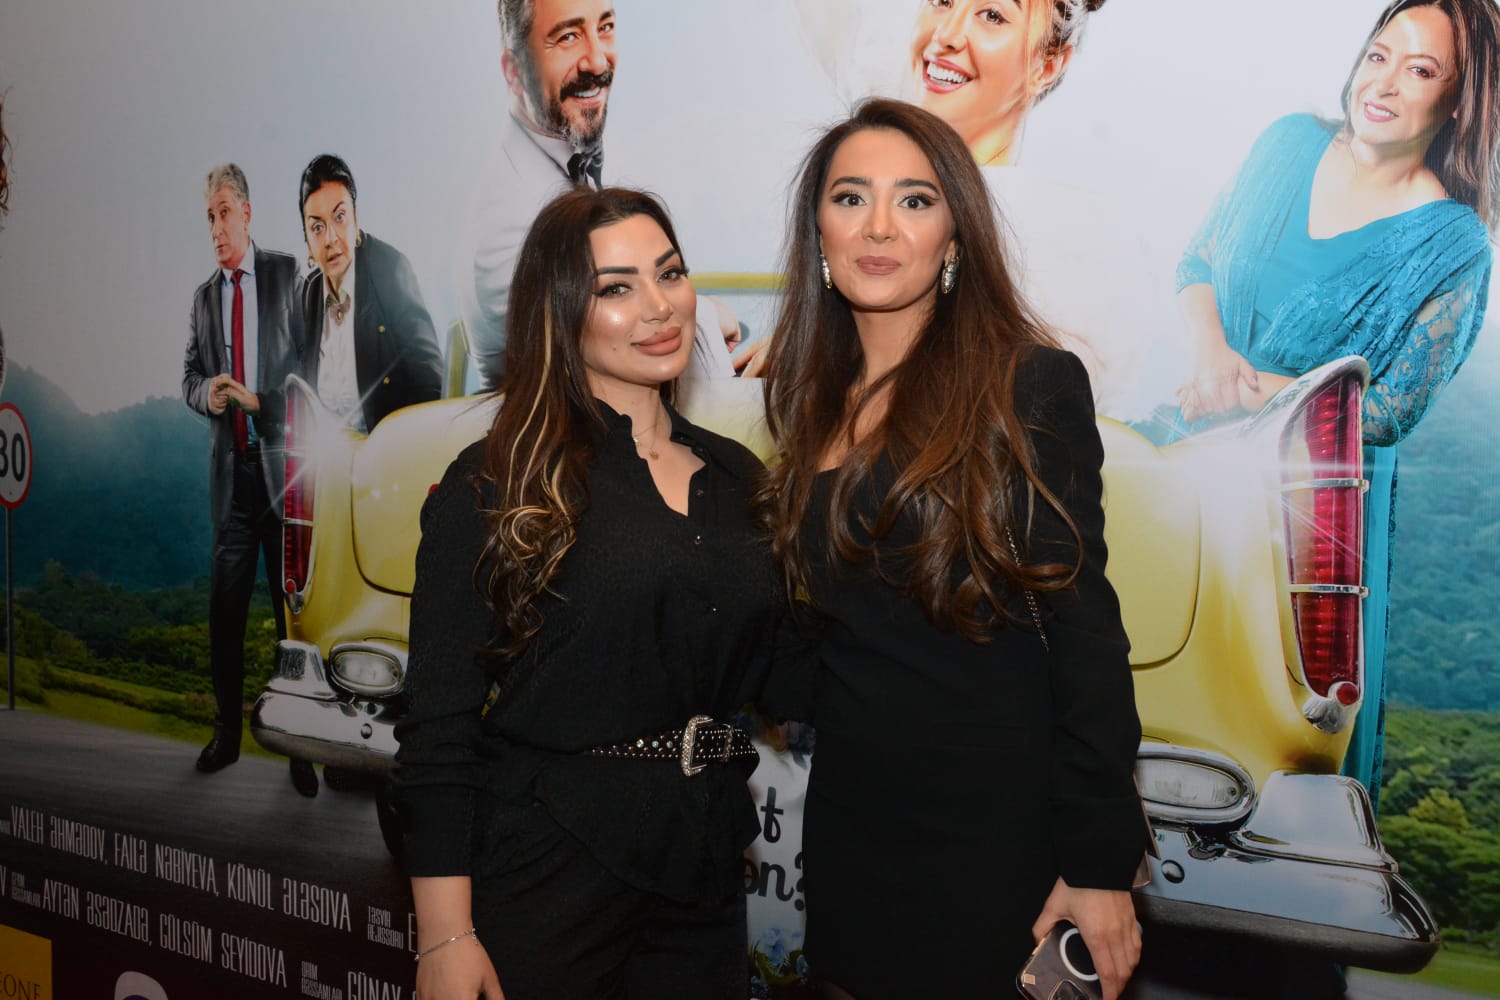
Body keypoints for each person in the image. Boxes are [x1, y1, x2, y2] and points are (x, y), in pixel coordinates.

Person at [759, 99, 1148, 1000]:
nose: (879, 226)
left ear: (955, 236)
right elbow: (827, 650)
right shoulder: (810, 409)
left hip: (997, 843)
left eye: (915, 199)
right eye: (850, 198)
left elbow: (1085, 632)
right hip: (853, 832)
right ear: (819, 233)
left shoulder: (1028, 386)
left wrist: (1097, 862)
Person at [392, 187, 794, 1000]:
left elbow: (786, 671)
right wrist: (444, 937)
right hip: (548, 869)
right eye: (617, 287)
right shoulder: (496, 480)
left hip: (703, 873)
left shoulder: (737, 477)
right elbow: (438, 727)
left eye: (670, 274)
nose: (659, 306)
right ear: (561, 312)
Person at [1171, 0, 1498, 807]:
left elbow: (1387, 412)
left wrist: (1247, 391)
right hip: (1185, 454)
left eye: (1419, 70)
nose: (1383, 83)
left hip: (1308, 520)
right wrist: (1210, 355)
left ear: (1459, 100)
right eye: (1379, 55)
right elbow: (1196, 262)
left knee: (1263, 765)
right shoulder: (1287, 143)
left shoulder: (1454, 244)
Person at [462, 0, 735, 387]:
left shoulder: (581, 149)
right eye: (568, 37)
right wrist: (708, 317)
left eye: (604, 28)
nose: (597, 61)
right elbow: (584, 352)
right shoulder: (506, 218)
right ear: (515, 71)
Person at [181, 164, 303, 778]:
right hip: (231, 486)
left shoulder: (286, 274)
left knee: (293, 617)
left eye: (224, 212)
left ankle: (302, 751)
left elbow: (308, 372)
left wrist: (260, 403)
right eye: (209, 216)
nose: (216, 226)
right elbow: (188, 378)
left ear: (248, 213)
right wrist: (209, 394)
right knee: (224, 618)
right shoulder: (204, 299)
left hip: (282, 477)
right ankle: (226, 736)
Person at [298, 154, 443, 433]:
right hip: (332, 453)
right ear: (307, 242)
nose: (330, 239)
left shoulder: (389, 270)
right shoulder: (311, 293)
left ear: (356, 220)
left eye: (340, 217)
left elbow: (430, 379)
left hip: (390, 449)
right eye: (317, 227)